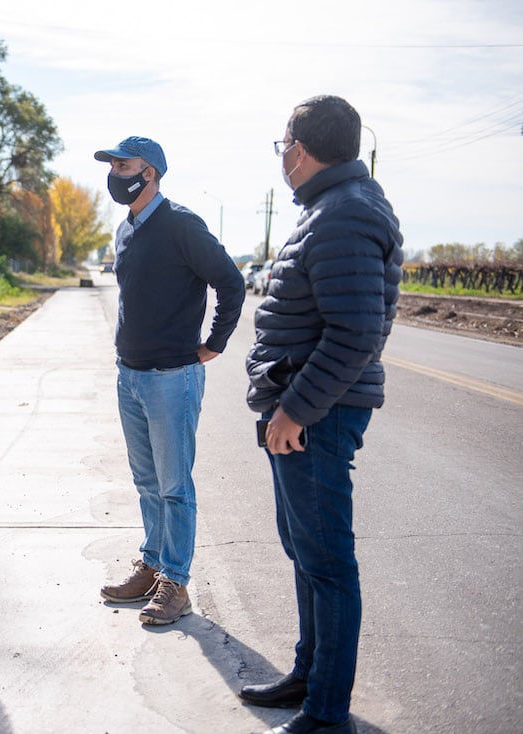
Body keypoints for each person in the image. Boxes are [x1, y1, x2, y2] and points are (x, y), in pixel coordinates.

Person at [240, 96, 403, 734]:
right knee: (306, 551)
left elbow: (357, 331)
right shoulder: (333, 209)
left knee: (328, 562)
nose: (281, 155)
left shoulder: (343, 214)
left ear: (300, 150)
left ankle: (326, 714)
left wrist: (295, 411)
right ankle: (310, 677)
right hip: (303, 410)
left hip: (317, 415)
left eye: (282, 143)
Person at [94, 136, 245, 625]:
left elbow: (231, 281)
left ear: (151, 172)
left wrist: (215, 343)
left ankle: (175, 583)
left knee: (175, 485)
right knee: (146, 481)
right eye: (112, 165)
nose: (116, 172)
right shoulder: (126, 230)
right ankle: (152, 565)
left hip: (171, 378)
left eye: (124, 164)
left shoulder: (182, 224)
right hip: (130, 376)